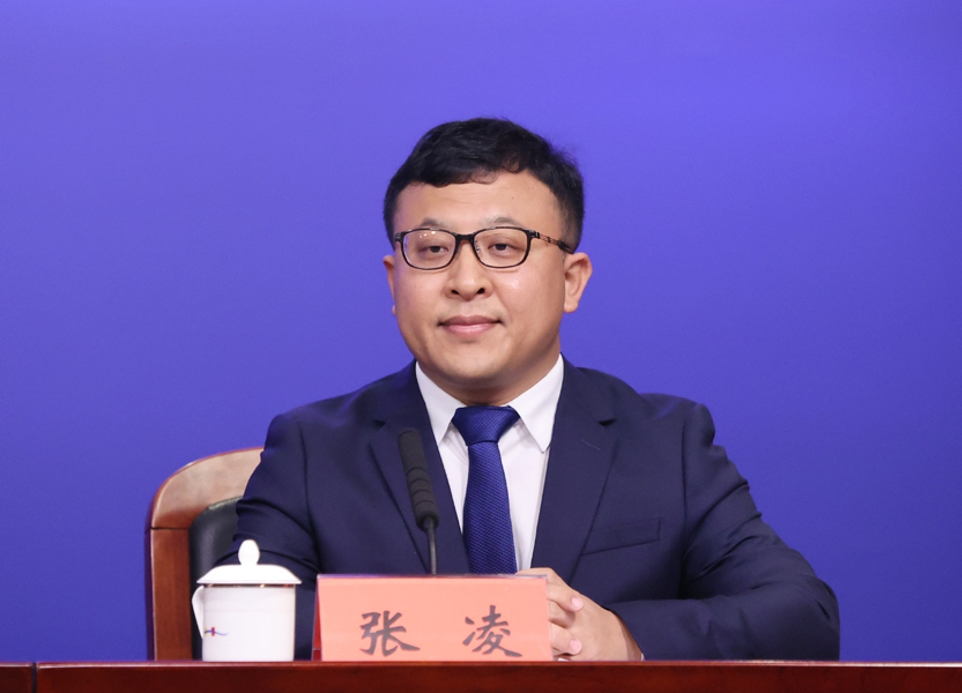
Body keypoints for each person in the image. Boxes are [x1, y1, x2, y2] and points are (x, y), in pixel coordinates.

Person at [228, 117, 840, 661]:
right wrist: (456, 626)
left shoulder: (666, 444)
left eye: (502, 247)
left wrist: (622, 637)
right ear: (394, 283)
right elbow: (239, 625)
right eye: (432, 250)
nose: (466, 281)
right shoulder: (313, 449)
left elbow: (801, 615)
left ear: (572, 281)